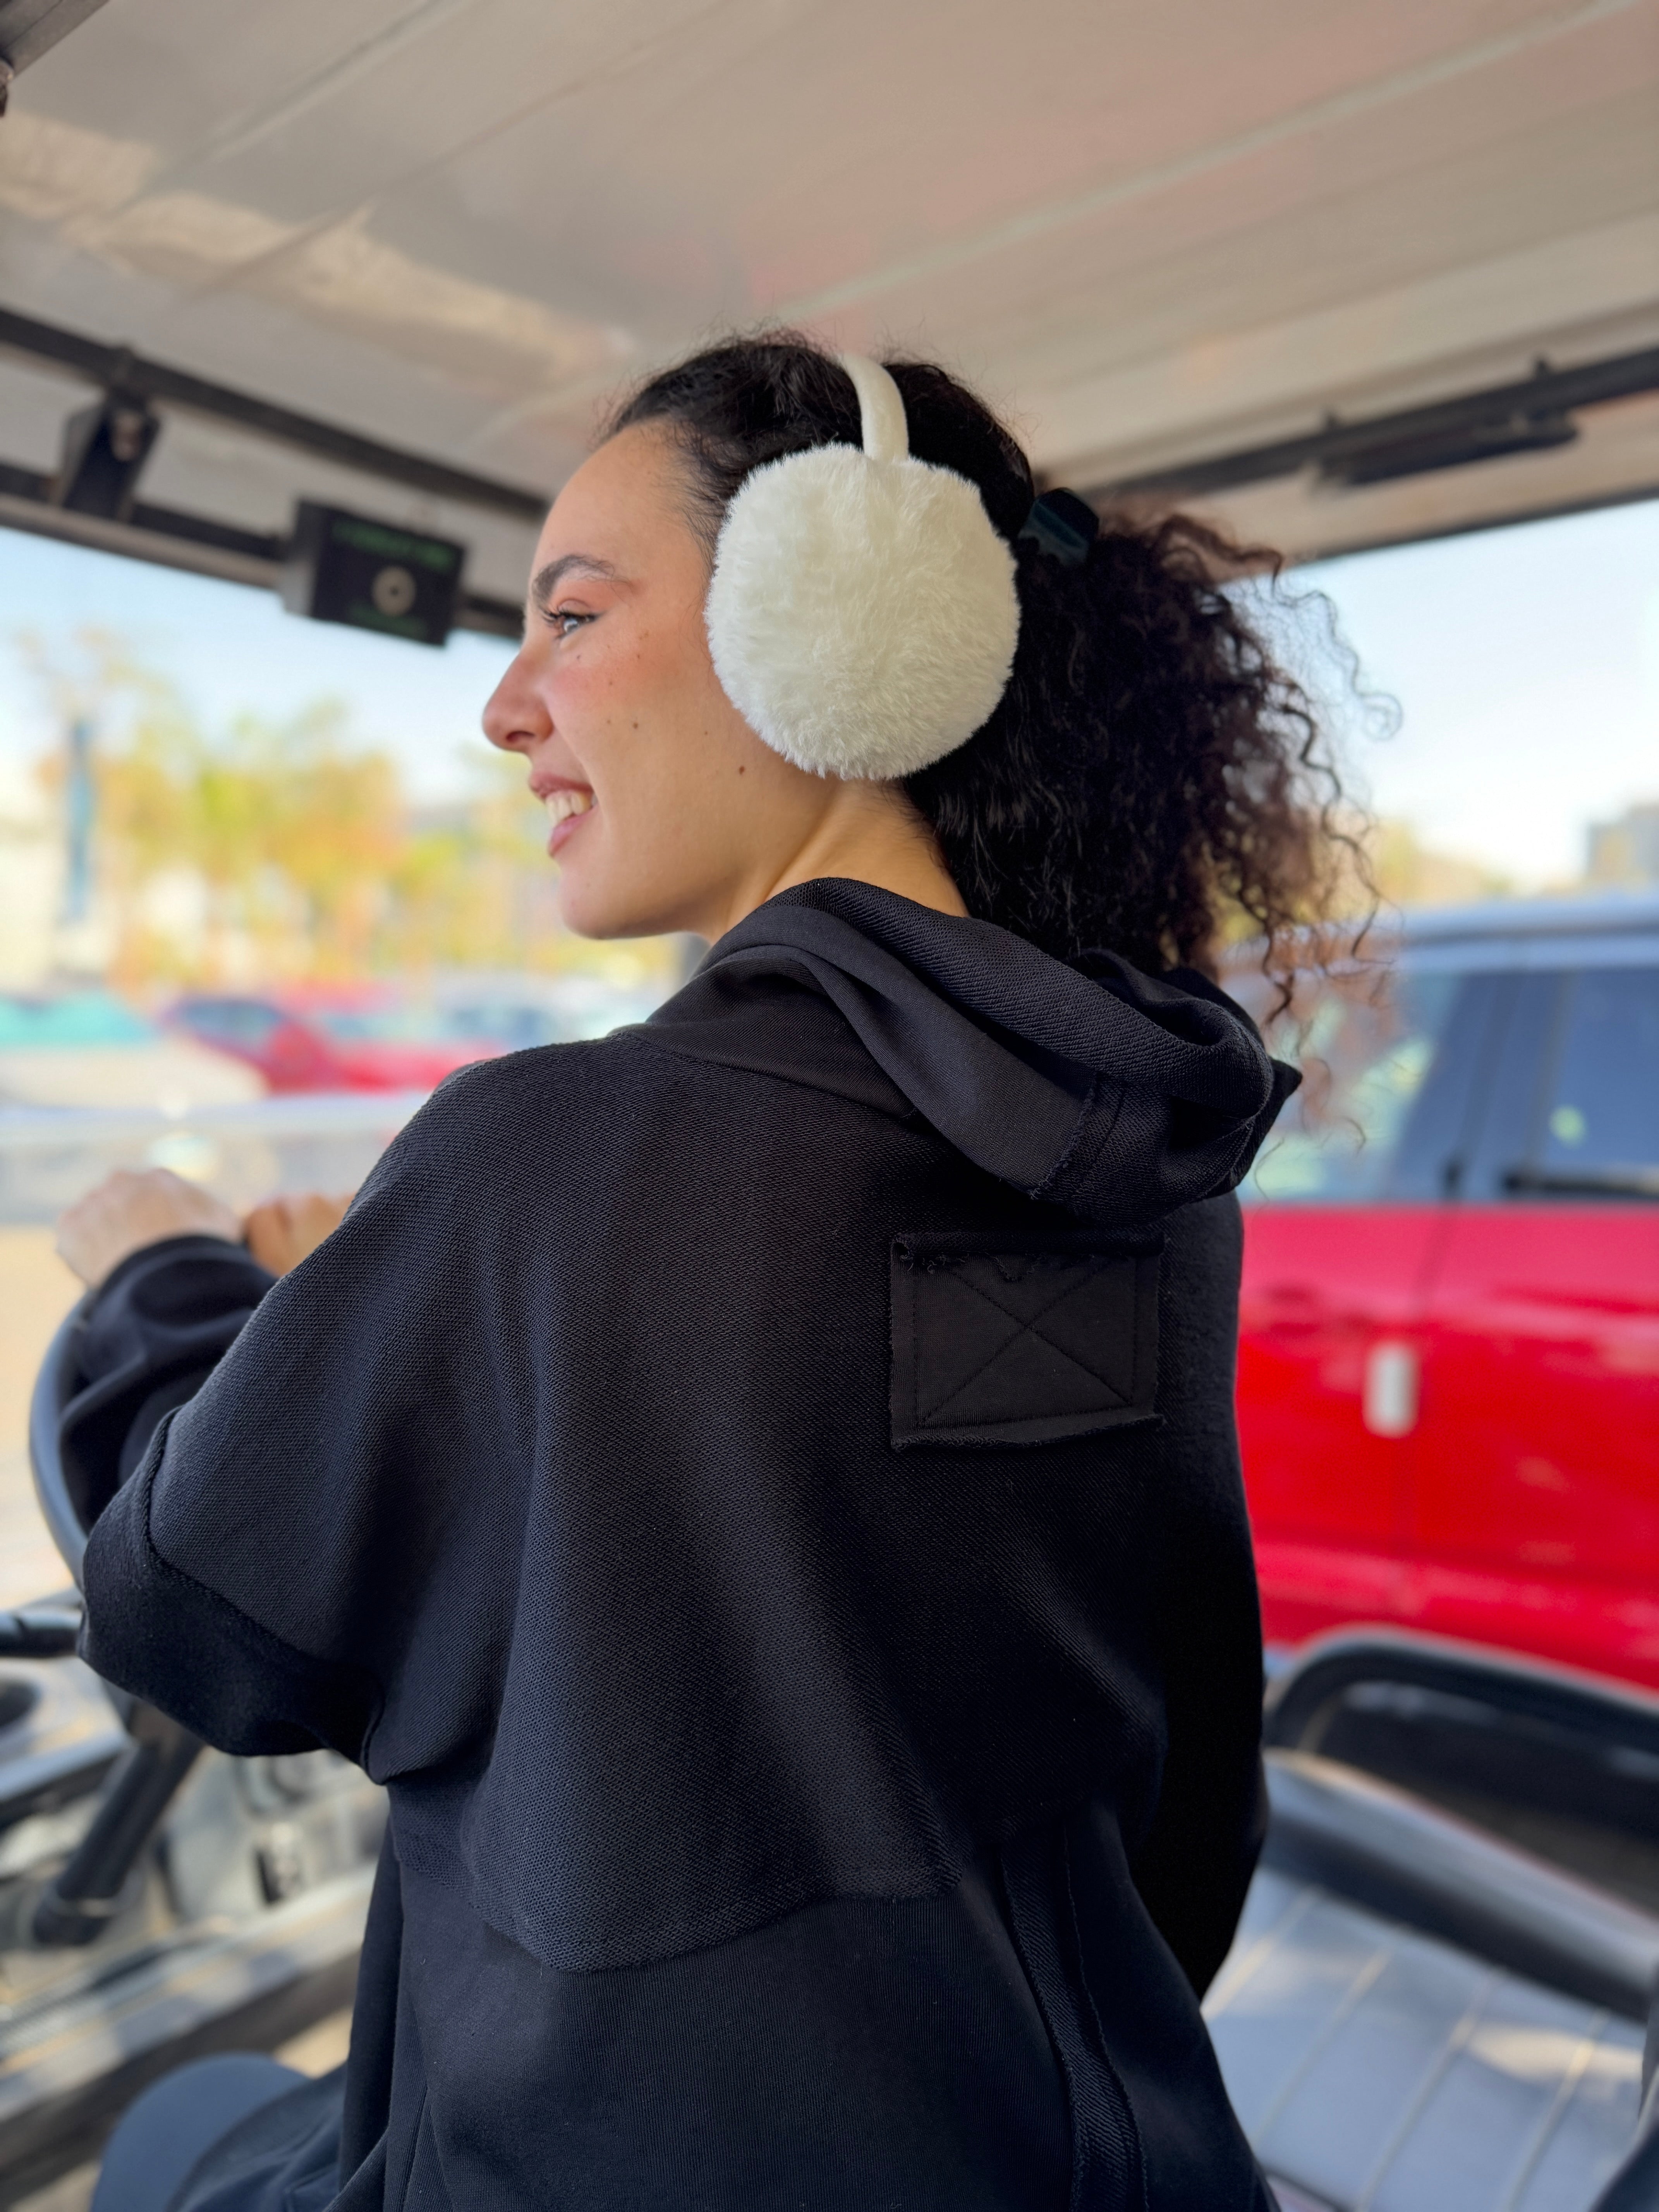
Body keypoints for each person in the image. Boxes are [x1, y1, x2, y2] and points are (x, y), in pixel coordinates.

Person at [55, 335, 1350, 2210]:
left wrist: (157, 1278)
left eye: (573, 616)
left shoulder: (556, 1162)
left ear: (835, 624)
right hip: (1105, 2153)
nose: (505, 706)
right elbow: (1183, 1799)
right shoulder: (1158, 1164)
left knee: (175, 2129)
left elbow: (184, 1607)